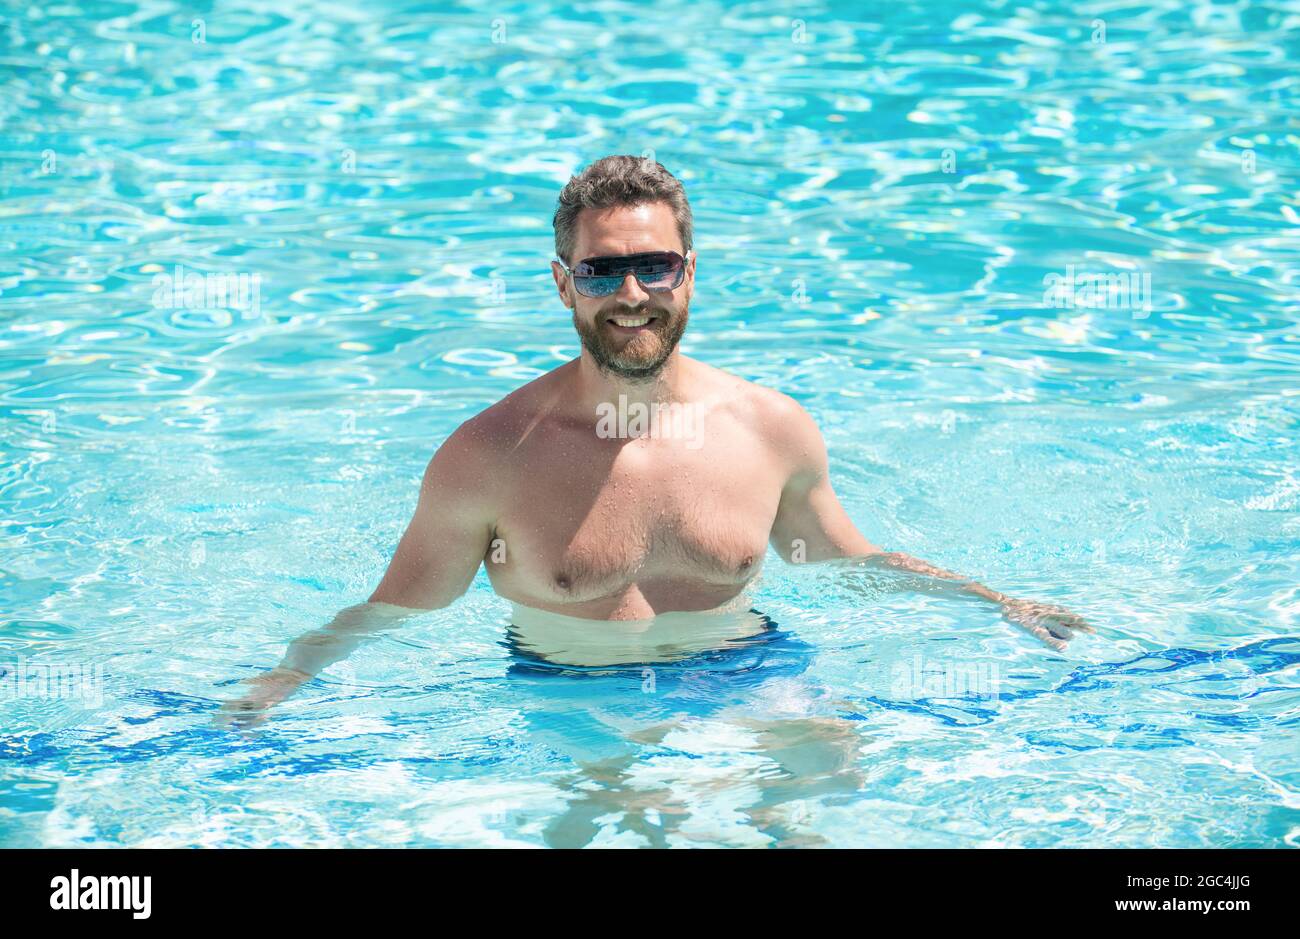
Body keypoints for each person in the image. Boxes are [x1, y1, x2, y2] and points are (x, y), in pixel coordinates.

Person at [219, 155, 1091, 728]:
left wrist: (997, 601)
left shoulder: (768, 429)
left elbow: (845, 561)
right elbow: (398, 607)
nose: (632, 292)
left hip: (741, 663)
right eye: (601, 270)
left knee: (828, 764)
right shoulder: (488, 455)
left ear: (689, 273)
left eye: (655, 266)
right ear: (564, 285)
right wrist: (283, 680)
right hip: (568, 690)